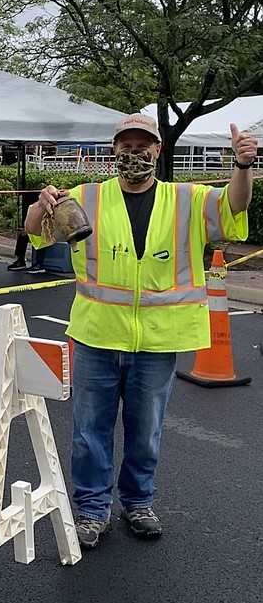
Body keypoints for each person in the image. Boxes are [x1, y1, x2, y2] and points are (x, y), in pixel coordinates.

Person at [25, 113, 257, 548]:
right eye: (126, 146)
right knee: (88, 430)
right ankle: (93, 510)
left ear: (158, 150)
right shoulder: (83, 197)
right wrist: (40, 207)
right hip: (96, 335)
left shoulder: (187, 198)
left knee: (144, 429)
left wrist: (242, 167)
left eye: (143, 145)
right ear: (115, 150)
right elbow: (36, 234)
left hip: (158, 339)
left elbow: (235, 208)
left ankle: (137, 501)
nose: (134, 153)